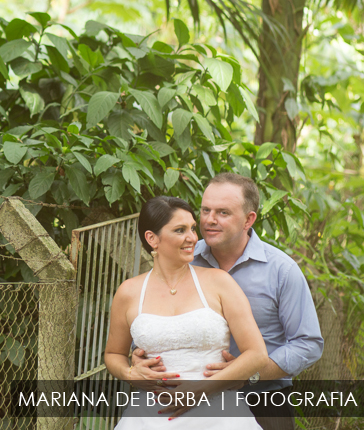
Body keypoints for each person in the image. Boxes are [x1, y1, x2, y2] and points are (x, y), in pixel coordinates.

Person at [133, 174, 324, 430]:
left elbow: (308, 343)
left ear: (249, 219)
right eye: (205, 210)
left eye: (223, 212)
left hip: (264, 397)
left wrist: (250, 374)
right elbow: (148, 322)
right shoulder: (183, 259)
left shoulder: (282, 271)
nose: (210, 220)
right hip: (181, 402)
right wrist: (137, 362)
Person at [104, 196, 269, 427]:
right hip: (149, 417)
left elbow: (257, 354)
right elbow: (113, 354)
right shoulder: (129, 292)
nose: (192, 237)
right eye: (180, 230)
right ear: (152, 239)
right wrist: (130, 374)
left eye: (192, 228)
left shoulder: (219, 283)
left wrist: (202, 389)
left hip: (217, 416)